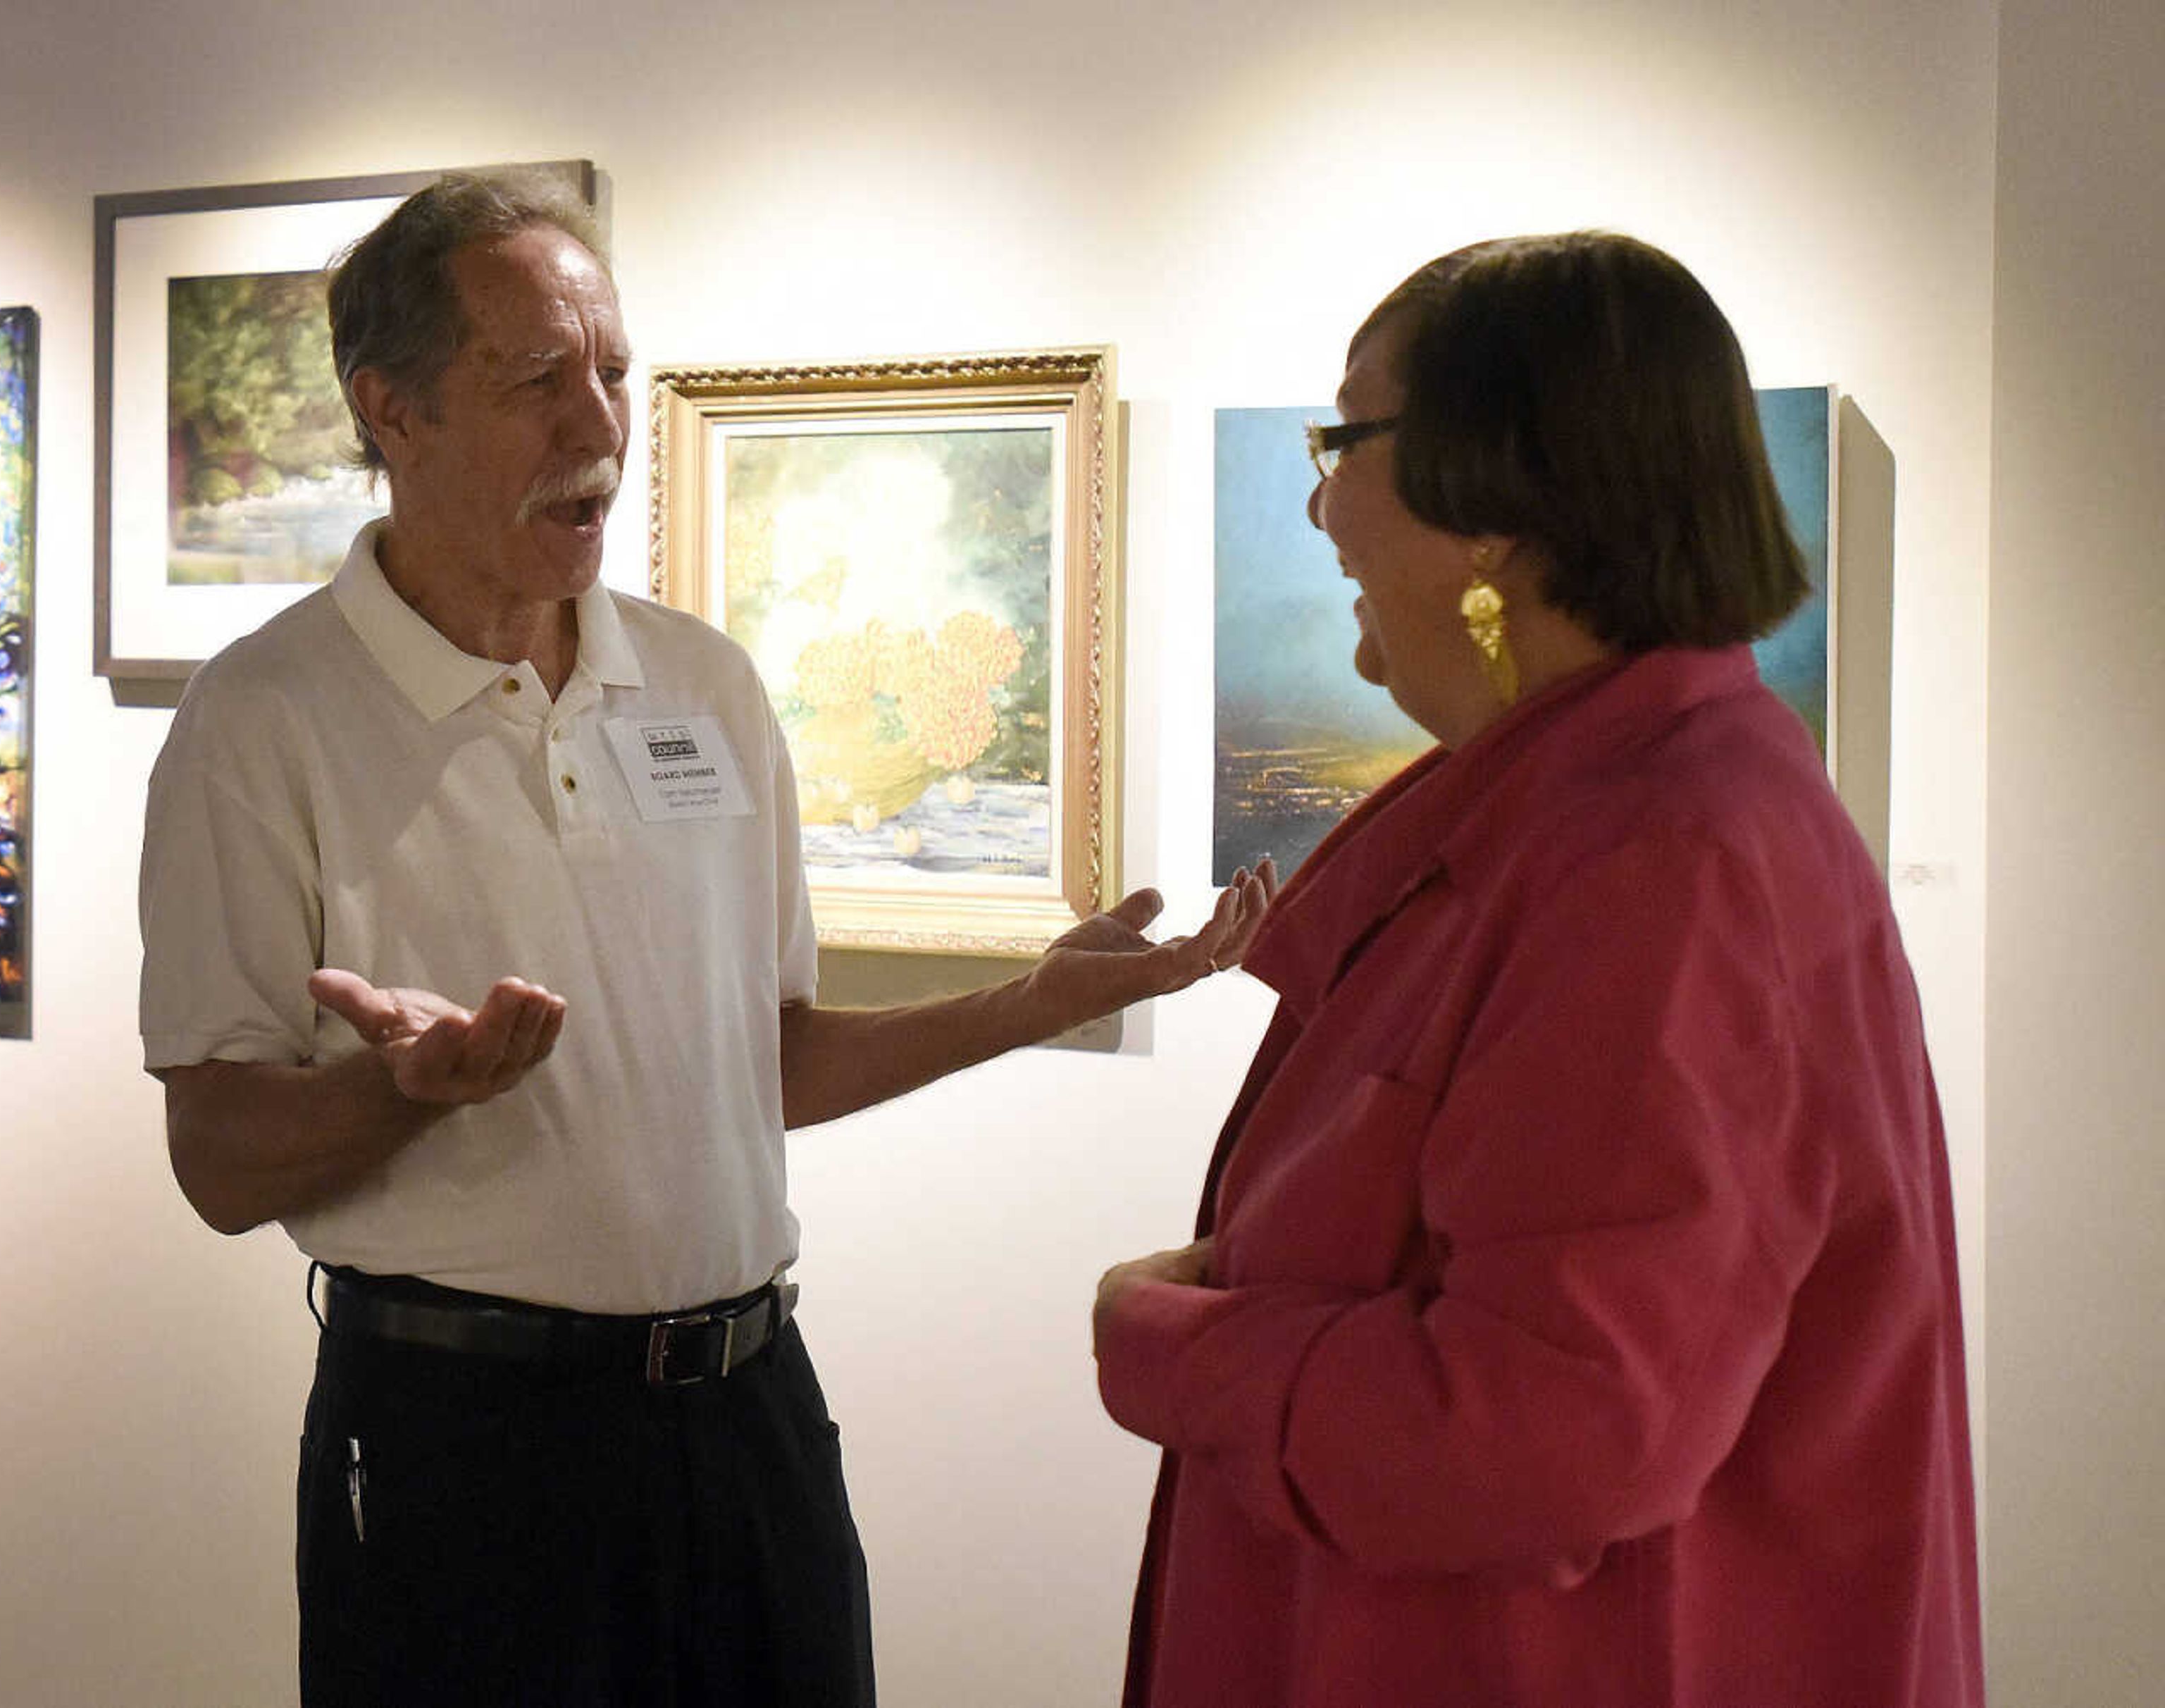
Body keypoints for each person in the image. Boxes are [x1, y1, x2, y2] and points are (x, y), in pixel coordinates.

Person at [138, 168, 1267, 1708]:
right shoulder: (261, 720)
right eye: (536, 380)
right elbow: (215, 1156)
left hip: (749, 1416)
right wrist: (395, 1089)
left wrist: (1028, 1002)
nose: (596, 426)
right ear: (390, 411)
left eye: (610, 371)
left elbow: (770, 1064)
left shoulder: (705, 687)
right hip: (463, 1447)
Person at [1093, 232, 1983, 1708]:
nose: (1319, 503)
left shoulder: (1666, 857)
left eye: (1346, 439)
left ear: (1495, 501)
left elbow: (1547, 1428)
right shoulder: (1598, 809)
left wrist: (1168, 1346)